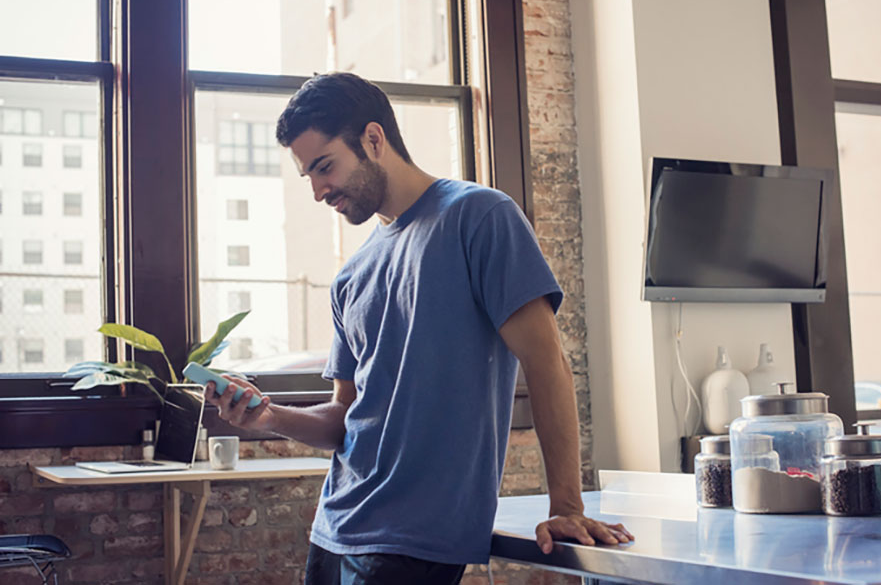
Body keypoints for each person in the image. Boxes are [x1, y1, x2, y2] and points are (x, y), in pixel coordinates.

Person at [206, 72, 632, 585]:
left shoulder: (480, 216)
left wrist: (566, 503)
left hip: (413, 541)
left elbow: (548, 365)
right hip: (334, 528)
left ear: (373, 139)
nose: (319, 191)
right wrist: (268, 417)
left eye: (325, 167)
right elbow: (346, 418)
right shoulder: (350, 276)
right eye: (309, 177)